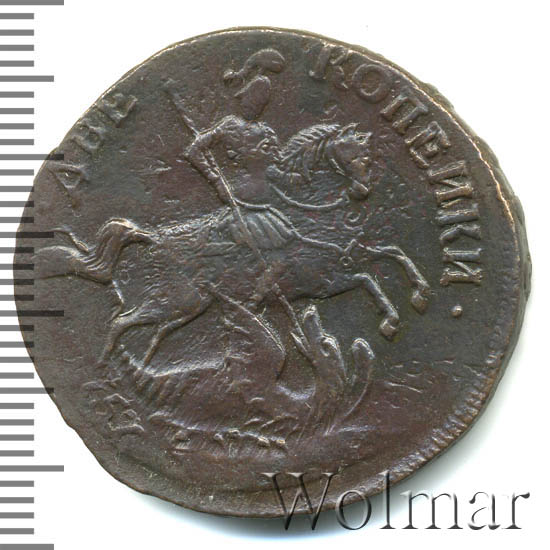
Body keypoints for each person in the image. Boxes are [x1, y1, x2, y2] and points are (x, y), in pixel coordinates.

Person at [185, 49, 295, 252]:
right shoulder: (230, 125)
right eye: (247, 99)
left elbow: (274, 169)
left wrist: (289, 177)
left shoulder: (267, 132)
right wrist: (216, 180)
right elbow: (194, 151)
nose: (250, 105)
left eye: (257, 102)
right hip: (240, 203)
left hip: (265, 206)